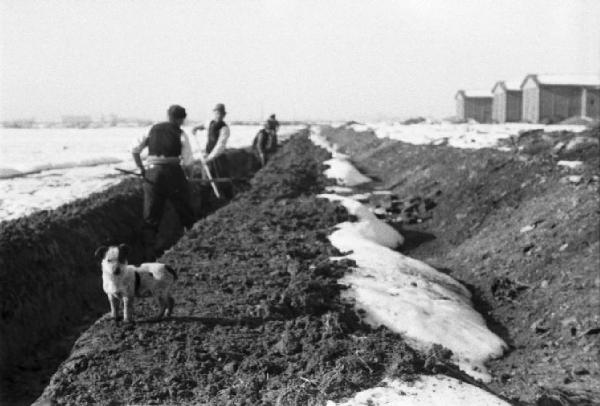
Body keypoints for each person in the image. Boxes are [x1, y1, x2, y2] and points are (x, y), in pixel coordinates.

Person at [132, 105, 195, 260]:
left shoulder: (151, 129)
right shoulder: (181, 133)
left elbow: (134, 150)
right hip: (173, 174)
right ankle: (192, 242)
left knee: (151, 214)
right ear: (181, 119)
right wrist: (187, 177)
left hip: (153, 174)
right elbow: (188, 162)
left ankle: (149, 251)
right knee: (184, 208)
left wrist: (141, 168)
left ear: (168, 116)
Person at [191, 103, 230, 179]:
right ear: (214, 113)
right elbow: (202, 125)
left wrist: (209, 158)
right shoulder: (210, 123)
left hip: (218, 157)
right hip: (208, 154)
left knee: (219, 179)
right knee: (206, 179)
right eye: (217, 113)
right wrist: (195, 128)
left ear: (224, 115)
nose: (219, 115)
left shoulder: (224, 128)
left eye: (221, 114)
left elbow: (220, 146)